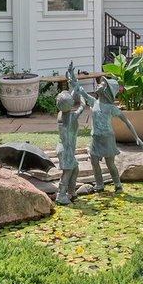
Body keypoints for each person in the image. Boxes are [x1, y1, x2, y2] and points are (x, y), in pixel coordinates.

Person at [83, 75, 140, 193]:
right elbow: (81, 92)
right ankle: (99, 184)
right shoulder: (94, 102)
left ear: (105, 91)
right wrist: (73, 81)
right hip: (95, 138)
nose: (98, 84)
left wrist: (136, 137)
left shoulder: (110, 108)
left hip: (107, 139)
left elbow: (126, 121)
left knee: (110, 164)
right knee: (94, 162)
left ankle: (117, 184)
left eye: (101, 84)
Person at [54, 63, 86, 206]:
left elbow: (72, 95)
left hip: (63, 148)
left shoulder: (61, 113)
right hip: (66, 150)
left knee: (75, 168)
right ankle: (61, 195)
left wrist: (72, 78)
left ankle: (71, 192)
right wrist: (83, 95)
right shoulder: (72, 117)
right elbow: (82, 106)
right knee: (67, 172)